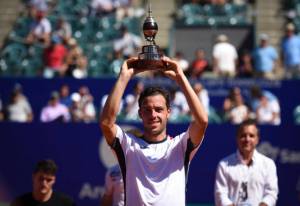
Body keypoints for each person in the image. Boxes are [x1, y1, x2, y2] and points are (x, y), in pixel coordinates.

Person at [100, 56, 208, 205]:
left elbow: (202, 121)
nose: (153, 115)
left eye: (159, 109)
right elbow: (106, 123)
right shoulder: (128, 146)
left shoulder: (180, 146)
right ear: (140, 114)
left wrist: (181, 78)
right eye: (147, 110)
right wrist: (124, 77)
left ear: (168, 112)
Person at [214, 120, 278, 206]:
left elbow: (271, 193)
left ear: (257, 139)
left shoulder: (268, 164)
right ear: (237, 138)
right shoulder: (224, 165)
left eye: (251, 136)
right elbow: (220, 194)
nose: (247, 139)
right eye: (243, 136)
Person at [10, 159, 75, 206]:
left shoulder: (67, 203)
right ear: (33, 177)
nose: (44, 183)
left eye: (49, 180)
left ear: (54, 180)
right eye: (41, 179)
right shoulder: (19, 203)